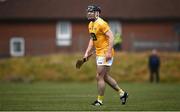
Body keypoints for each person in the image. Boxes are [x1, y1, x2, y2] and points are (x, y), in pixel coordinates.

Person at [84, 4, 128, 106]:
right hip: (99, 52)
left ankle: (99, 101)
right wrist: (87, 52)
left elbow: (111, 37)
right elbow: (92, 39)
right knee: (105, 77)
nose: (89, 13)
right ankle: (122, 93)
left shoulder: (101, 23)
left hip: (105, 53)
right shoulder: (90, 24)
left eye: (91, 12)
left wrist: (108, 52)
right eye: (88, 12)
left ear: (97, 13)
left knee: (99, 76)